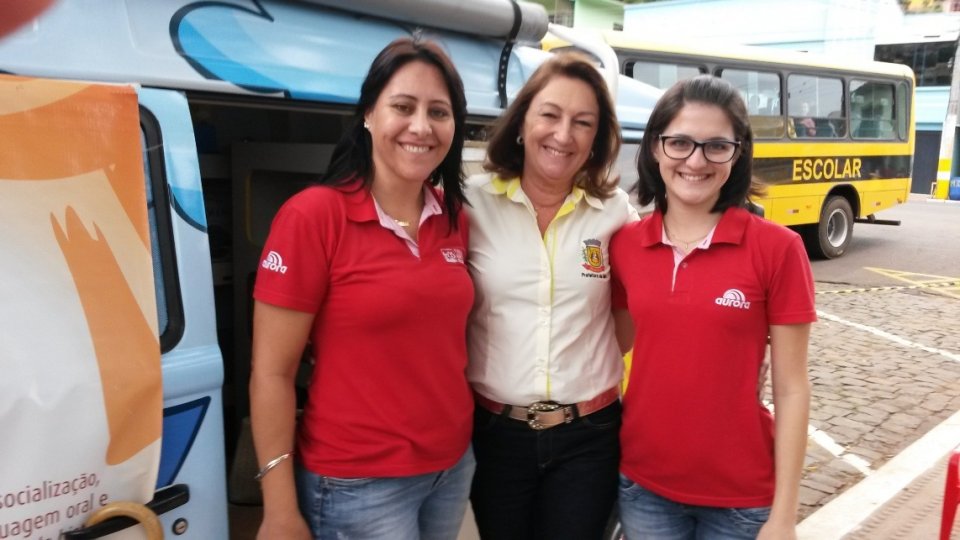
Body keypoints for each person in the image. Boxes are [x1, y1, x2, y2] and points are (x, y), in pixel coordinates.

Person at [249, 36, 475, 540]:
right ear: (369, 114)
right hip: (357, 482)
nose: (421, 126)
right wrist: (279, 508)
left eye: (439, 111)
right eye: (403, 106)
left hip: (450, 466)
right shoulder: (313, 217)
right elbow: (271, 374)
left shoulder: (455, 218)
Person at [610, 74, 816, 539]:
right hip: (645, 488)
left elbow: (791, 389)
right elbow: (610, 344)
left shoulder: (777, 249)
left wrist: (784, 517)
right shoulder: (624, 244)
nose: (695, 161)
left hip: (741, 502)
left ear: (737, 152)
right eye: (679, 143)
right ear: (655, 149)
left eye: (715, 146)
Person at [465, 52, 638, 540]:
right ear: (522, 121)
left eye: (583, 122)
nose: (564, 135)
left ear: (596, 139)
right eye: (550, 114)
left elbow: (642, 304)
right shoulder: (472, 203)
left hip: (590, 434)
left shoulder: (616, 212)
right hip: (496, 433)